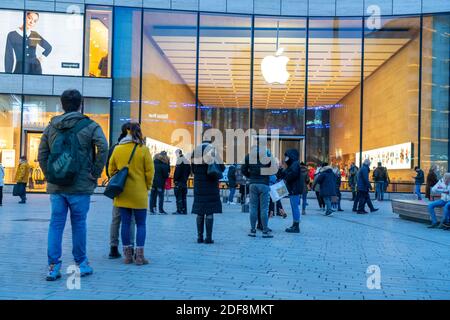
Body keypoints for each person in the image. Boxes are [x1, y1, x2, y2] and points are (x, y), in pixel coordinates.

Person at [38, 89, 108, 281]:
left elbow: (41, 154)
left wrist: (50, 174)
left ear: (62, 104)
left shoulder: (51, 126)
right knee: (79, 224)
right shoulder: (91, 126)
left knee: (56, 224)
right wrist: (94, 173)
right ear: (80, 104)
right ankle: (81, 263)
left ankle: (53, 266)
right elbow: (103, 147)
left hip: (57, 187)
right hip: (80, 186)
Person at [108, 123, 154, 265]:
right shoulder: (144, 150)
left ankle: (127, 256)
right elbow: (150, 172)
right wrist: (147, 186)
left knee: (125, 224)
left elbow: (111, 170)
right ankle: (139, 257)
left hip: (122, 193)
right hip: (139, 192)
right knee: (141, 224)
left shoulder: (118, 149)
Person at [106, 122, 136, 259]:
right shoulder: (137, 147)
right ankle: (130, 248)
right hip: (132, 187)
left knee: (116, 218)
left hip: (118, 188)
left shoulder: (114, 148)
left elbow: (108, 169)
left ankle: (113, 247)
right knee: (130, 220)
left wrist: (116, 179)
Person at [191, 141, 225, 244]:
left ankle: (199, 237)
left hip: (199, 186)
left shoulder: (195, 153)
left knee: (200, 212)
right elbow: (222, 168)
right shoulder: (213, 152)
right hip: (211, 185)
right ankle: (208, 238)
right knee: (209, 211)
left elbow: (192, 169)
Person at [242, 145, 274, 238]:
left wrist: (250, 176)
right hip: (264, 184)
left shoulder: (248, 156)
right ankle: (265, 231)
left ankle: (253, 230)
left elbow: (243, 169)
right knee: (264, 208)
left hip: (253, 184)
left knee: (253, 208)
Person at [279, 149, 307, 233]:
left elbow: (292, 174)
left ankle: (296, 226)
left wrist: (286, 178)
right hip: (293, 189)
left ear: (291, 156)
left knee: (295, 207)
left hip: (294, 189)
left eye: (287, 156)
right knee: (293, 207)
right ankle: (294, 224)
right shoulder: (293, 164)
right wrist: (281, 170)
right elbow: (285, 173)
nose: (285, 158)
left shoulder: (295, 164)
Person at [172, 149, 191, 215]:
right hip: (184, 181)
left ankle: (179, 210)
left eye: (176, 153)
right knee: (184, 197)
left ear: (178, 153)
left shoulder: (179, 160)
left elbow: (177, 172)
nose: (175, 155)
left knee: (178, 196)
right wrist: (185, 178)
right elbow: (189, 171)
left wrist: (175, 180)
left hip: (179, 181)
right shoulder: (186, 161)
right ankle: (184, 210)